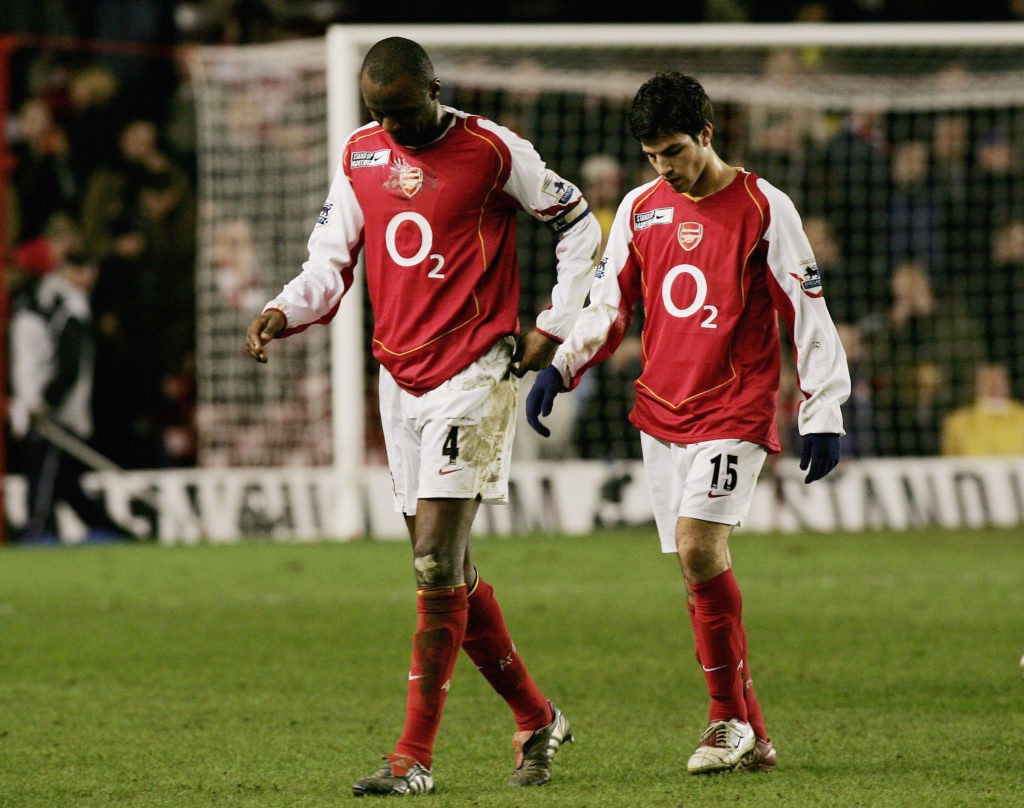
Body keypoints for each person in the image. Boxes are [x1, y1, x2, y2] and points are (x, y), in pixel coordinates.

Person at [244, 37, 602, 796]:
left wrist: (555, 322)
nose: (395, 129)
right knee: (450, 572)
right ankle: (537, 718)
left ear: (434, 88)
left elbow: (578, 223)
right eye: (380, 114)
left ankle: (413, 758)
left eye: (404, 112)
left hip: (476, 372)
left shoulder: (494, 150)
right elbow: (329, 260)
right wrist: (283, 308)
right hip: (397, 380)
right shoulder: (360, 153)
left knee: (436, 561)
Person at [525, 72, 851, 775]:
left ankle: (724, 721)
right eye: (652, 155)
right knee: (699, 571)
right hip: (661, 410)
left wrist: (822, 409)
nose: (663, 167)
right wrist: (563, 367)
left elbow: (807, 312)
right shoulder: (641, 209)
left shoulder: (766, 207)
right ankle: (754, 735)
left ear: (706, 133)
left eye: (673, 150)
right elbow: (610, 306)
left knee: (700, 548)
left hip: (734, 405)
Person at [8, 249, 134, 544]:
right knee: (62, 478)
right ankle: (108, 531)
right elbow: (66, 364)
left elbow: (68, 365)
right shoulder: (64, 305)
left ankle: (38, 529)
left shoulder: (56, 305)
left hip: (53, 410)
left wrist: (45, 402)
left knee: (49, 472)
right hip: (54, 407)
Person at [940, 363, 1024, 456]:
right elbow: (949, 460)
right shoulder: (957, 422)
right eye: (987, 381)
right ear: (975, 386)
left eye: (998, 380)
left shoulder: (1022, 416)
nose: (993, 386)